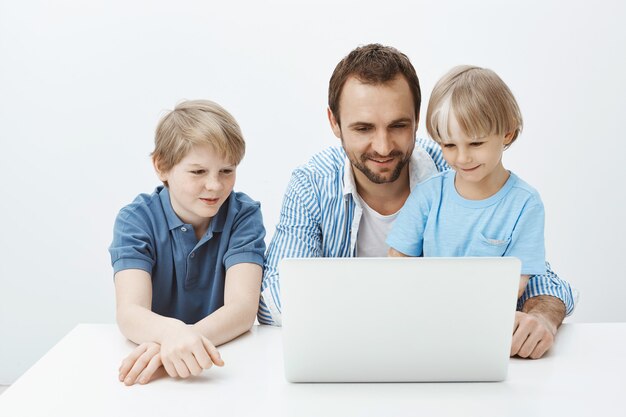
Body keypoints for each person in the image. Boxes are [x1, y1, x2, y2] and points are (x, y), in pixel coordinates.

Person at [259, 44, 575, 359]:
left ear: (417, 119)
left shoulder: (457, 168)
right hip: (350, 356)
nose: (383, 147)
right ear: (334, 122)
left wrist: (542, 318)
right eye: (363, 128)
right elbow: (274, 296)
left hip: (443, 355)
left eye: (398, 126)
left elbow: (540, 278)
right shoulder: (312, 184)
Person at [109, 100, 266, 385]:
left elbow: (243, 308)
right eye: (198, 172)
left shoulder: (244, 214)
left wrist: (179, 343)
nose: (215, 186)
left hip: (223, 365)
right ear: (161, 166)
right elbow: (129, 312)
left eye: (227, 171)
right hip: (157, 374)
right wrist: (172, 336)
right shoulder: (136, 219)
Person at [387, 65, 544, 301]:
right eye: (449, 145)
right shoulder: (428, 195)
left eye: (475, 144)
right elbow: (397, 260)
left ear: (507, 133)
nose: (462, 158)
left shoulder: (525, 204)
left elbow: (518, 283)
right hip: (427, 314)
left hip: (488, 320)